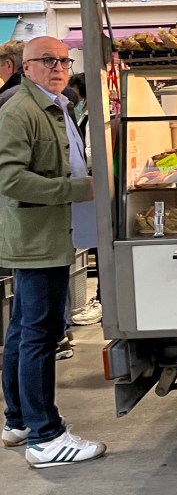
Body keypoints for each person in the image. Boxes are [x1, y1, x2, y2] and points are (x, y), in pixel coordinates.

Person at [0, 36, 106, 467]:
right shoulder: (20, 111)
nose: (58, 67)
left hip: (50, 235)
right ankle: (46, 437)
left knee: (24, 331)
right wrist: (77, 189)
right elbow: (10, 179)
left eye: (63, 60)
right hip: (37, 239)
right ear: (26, 67)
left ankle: (20, 421)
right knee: (41, 336)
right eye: (48, 60)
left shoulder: (56, 106)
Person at [66, 73, 101, 327]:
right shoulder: (83, 115)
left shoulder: (92, 117)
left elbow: (92, 152)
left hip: (90, 187)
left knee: (99, 247)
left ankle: (102, 301)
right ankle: (101, 300)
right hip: (85, 187)